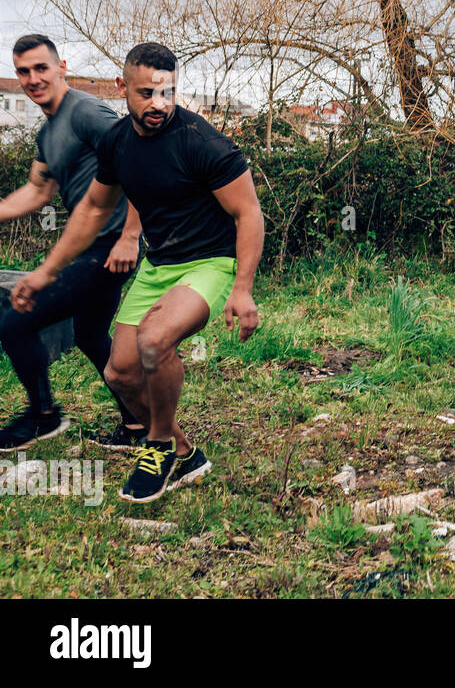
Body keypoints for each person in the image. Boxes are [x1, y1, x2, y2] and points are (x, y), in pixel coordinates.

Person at [12, 42, 265, 502]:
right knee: (120, 373)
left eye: (168, 92)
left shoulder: (202, 141)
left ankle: (158, 445)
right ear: (122, 87)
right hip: (159, 264)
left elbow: (249, 214)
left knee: (154, 340)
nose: (158, 104)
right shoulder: (116, 142)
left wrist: (243, 289)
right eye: (147, 93)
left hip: (210, 262)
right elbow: (91, 210)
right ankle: (187, 454)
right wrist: (47, 271)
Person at [0, 34, 145, 452]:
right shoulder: (49, 135)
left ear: (61, 67)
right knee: (91, 335)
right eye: (24, 71)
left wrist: (131, 235)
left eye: (41, 68)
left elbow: (134, 158)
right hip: (87, 248)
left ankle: (43, 416)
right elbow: (36, 192)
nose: (33, 78)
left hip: (109, 248)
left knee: (14, 320)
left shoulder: (86, 112)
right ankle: (136, 426)